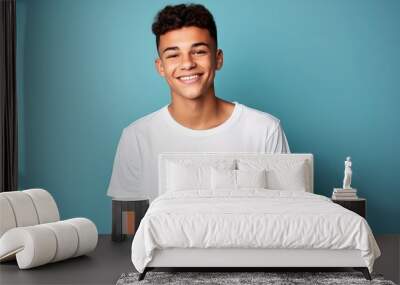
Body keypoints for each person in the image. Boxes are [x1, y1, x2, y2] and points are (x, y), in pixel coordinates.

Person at [107, 3, 290, 200]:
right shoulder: (136, 138)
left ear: (218, 59)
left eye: (199, 51)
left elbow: (289, 215)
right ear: (160, 67)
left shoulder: (264, 131)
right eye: (173, 55)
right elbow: (127, 223)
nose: (187, 63)